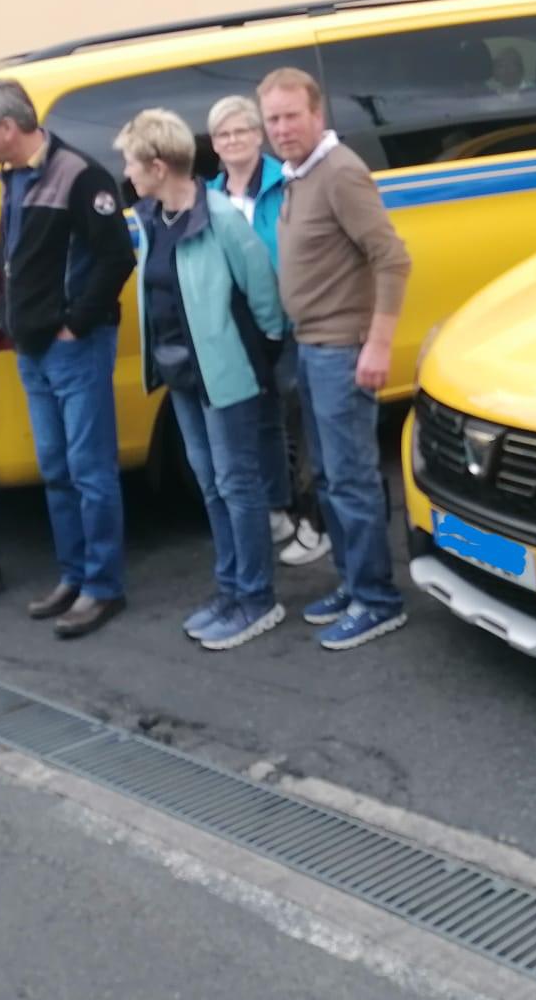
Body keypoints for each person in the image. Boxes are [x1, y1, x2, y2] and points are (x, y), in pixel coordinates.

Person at [0, 78, 133, 639]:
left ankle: (102, 586)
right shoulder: (15, 177)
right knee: (55, 470)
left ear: (8, 127)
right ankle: (73, 575)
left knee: (90, 471)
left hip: (71, 348)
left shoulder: (81, 175)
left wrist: (74, 324)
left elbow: (114, 259)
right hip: (32, 348)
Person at [121, 109, 289, 651]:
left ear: (158, 164)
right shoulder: (152, 216)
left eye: (130, 161)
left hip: (226, 373)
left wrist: (253, 357)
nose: (126, 171)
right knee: (211, 484)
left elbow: (265, 299)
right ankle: (230, 588)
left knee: (238, 485)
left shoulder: (219, 218)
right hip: (182, 375)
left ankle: (258, 598)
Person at [259, 67, 411, 651]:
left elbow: (392, 260)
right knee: (326, 478)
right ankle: (351, 583)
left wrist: (377, 343)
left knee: (351, 480)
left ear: (317, 114)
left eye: (291, 115)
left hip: (342, 350)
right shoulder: (299, 175)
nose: (281, 129)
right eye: (272, 118)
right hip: (311, 346)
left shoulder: (341, 172)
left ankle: (378, 599)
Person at [207, 94, 324, 567]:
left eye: (243, 131)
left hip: (293, 319)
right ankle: (278, 508)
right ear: (213, 144)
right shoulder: (210, 195)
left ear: (260, 136)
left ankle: (315, 519)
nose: (234, 141)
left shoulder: (288, 181)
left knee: (303, 413)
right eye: (224, 134)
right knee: (261, 420)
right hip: (241, 327)